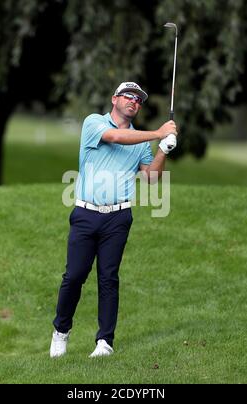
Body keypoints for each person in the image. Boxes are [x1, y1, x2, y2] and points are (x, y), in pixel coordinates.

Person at [50, 82, 178, 358]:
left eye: (139, 99)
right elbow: (115, 137)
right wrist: (158, 132)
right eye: (129, 96)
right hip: (85, 213)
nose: (134, 101)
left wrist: (162, 150)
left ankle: (104, 342)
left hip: (118, 217)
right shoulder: (94, 123)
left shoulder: (142, 140)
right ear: (114, 99)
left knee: (109, 278)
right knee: (74, 276)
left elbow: (151, 178)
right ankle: (61, 331)